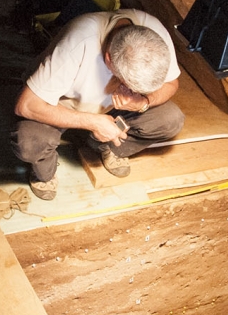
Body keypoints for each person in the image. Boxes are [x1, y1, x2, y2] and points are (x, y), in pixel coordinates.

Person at [12, 10, 185, 200]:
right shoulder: (78, 42)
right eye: (125, 82)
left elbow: (171, 83)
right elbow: (26, 105)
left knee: (170, 120)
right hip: (63, 104)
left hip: (115, 107)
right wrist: (93, 122)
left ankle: (105, 145)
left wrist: (144, 101)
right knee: (29, 142)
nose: (127, 88)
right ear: (108, 58)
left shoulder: (154, 36)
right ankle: (45, 172)